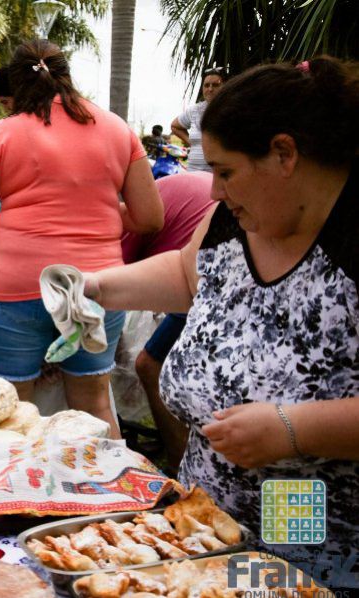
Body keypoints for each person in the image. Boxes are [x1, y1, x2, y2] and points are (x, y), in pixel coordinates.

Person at [86, 57, 358, 569]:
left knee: (275, 577)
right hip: (205, 517)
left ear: (284, 154)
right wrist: (96, 285)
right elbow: (192, 276)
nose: (213, 190)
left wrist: (293, 429)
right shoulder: (233, 217)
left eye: (225, 171)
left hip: (308, 521)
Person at [0, 40, 163, 439]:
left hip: (15, 286)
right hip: (96, 287)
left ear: (15, 84)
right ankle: (110, 497)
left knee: (9, 415)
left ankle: (18, 501)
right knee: (95, 406)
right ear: (67, 75)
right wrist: (96, 209)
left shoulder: (3, 133)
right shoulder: (117, 129)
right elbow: (150, 217)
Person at [120, 171, 215, 472]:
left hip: (203, 286)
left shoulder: (126, 220)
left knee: (149, 364)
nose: (220, 188)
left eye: (226, 172)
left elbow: (120, 272)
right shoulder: (215, 208)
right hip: (200, 282)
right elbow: (181, 265)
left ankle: (177, 462)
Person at [170, 67, 226, 172]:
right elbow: (175, 126)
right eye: (206, 85)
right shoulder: (194, 110)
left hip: (218, 177)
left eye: (215, 85)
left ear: (224, 87)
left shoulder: (233, 110)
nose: (210, 89)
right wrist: (190, 142)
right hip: (193, 173)